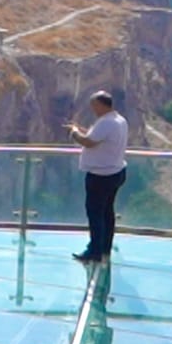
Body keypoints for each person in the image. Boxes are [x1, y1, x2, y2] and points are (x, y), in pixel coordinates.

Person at [67, 90, 128, 263]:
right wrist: (82, 130)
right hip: (116, 172)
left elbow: (88, 142)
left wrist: (73, 132)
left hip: (101, 175)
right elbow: (98, 138)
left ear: (101, 105)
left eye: (94, 105)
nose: (92, 109)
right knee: (107, 212)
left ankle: (94, 251)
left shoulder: (106, 123)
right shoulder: (119, 120)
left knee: (95, 213)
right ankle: (104, 247)